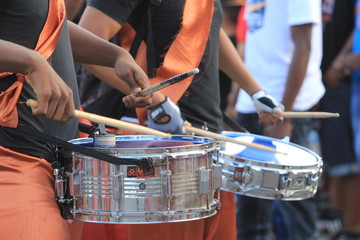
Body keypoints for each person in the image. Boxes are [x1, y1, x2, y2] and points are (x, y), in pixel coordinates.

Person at [76, 0, 283, 239]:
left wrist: (255, 91)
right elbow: (85, 44)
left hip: (206, 140)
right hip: (152, 143)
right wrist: (156, 101)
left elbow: (208, 30)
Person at [0, 1, 154, 239]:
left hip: (55, 166)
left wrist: (115, 55)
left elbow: (48, 28)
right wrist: (32, 63)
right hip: (12, 164)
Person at [234, 0, 325, 239]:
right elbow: (251, 44)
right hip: (253, 103)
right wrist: (237, 97)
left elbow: (303, 45)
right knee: (249, 205)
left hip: (285, 109)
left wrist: (285, 113)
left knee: (294, 202)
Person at [318, 0, 360, 239]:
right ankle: (340, 217)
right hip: (340, 78)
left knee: (351, 161)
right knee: (338, 156)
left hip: (347, 81)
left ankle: (352, 228)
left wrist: (347, 62)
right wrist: (340, 61)